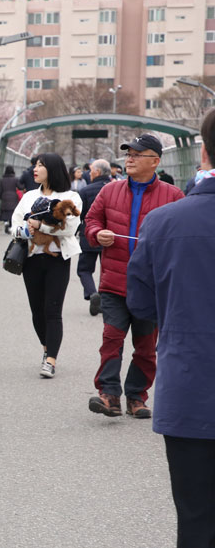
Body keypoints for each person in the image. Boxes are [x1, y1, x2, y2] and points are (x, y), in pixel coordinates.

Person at [127, 110, 215, 547]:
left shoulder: (162, 223)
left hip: (189, 390)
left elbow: (141, 304)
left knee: (196, 517)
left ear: (204, 150)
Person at [84, 133, 184, 418]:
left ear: (155, 161)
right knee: (111, 339)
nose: (129, 158)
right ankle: (108, 395)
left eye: (137, 154)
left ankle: (137, 397)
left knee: (145, 346)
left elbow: (181, 238)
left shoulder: (173, 197)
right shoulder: (109, 191)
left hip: (152, 287)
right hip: (114, 283)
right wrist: (95, 234)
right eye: (128, 153)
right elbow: (91, 221)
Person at [11, 153, 83, 378]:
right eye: (35, 165)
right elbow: (15, 226)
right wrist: (26, 229)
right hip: (31, 259)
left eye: (40, 165)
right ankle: (46, 348)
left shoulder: (71, 196)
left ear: (52, 169)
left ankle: (51, 359)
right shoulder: (29, 196)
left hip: (57, 259)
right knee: (37, 311)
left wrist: (41, 226)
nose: (35, 169)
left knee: (53, 310)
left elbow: (70, 228)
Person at [76, 159, 112, 316]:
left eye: (91, 172)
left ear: (97, 172)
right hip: (112, 235)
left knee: (84, 269)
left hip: (89, 235)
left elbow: (80, 215)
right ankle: (105, 300)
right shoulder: (117, 189)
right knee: (108, 270)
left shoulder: (85, 191)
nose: (89, 175)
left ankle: (92, 293)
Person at [0, 165, 20, 233]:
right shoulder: (15, 179)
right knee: (12, 212)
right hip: (13, 197)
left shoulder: (2, 180)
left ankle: (6, 223)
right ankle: (11, 225)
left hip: (4, 196)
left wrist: (1, 197)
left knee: (5, 212)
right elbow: (20, 186)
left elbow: (0, 190)